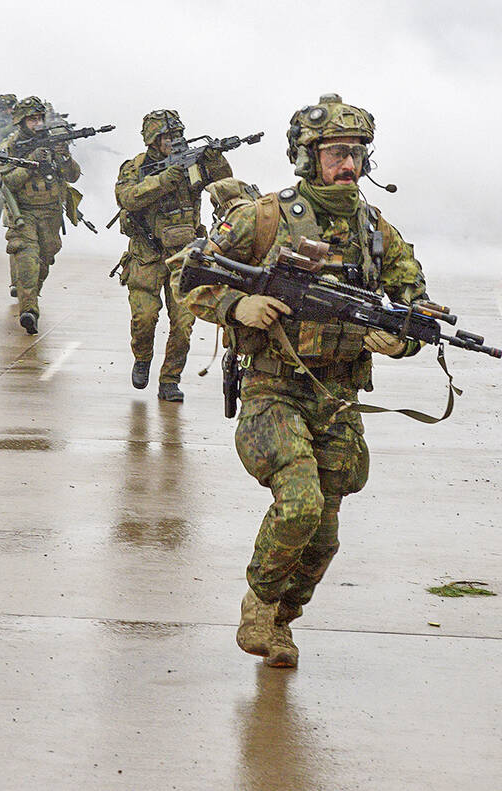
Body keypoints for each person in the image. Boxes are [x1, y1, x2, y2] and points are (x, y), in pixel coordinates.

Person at [169, 94, 428, 667]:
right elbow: (188, 275)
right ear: (307, 157)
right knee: (300, 504)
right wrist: (236, 306)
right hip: (273, 386)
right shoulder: (263, 217)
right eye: (336, 153)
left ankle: (282, 622)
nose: (349, 165)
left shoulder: (376, 231)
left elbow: (415, 302)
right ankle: (259, 603)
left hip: (337, 395)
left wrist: (403, 339)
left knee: (325, 536)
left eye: (357, 153)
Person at [115, 109, 232, 402]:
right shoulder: (134, 167)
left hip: (184, 255)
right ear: (152, 140)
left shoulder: (191, 164)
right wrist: (164, 179)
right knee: (144, 319)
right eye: (167, 136)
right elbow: (127, 198)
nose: (173, 141)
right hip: (146, 255)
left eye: (177, 135)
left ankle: (170, 379)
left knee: (183, 325)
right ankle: (142, 358)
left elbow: (224, 186)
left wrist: (215, 160)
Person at [0, 95, 80, 335]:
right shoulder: (11, 146)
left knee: (45, 259)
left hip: (52, 214)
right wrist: (31, 163)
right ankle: (29, 311)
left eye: (40, 118)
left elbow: (73, 176)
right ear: (21, 121)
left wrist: (64, 156)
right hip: (24, 213)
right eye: (32, 119)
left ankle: (31, 295)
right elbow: (4, 180)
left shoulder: (53, 142)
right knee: (27, 261)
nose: (37, 123)